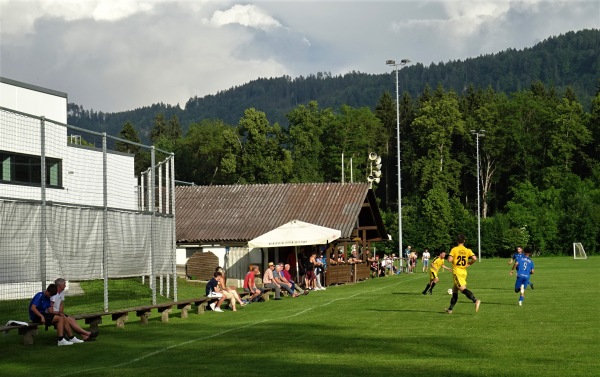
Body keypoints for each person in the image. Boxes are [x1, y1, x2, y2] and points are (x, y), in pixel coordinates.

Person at [446, 234, 481, 314]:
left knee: (462, 290)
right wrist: (469, 263)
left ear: (457, 241)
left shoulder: (454, 249)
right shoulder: (467, 250)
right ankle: (450, 309)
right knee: (455, 291)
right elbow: (474, 258)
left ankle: (475, 300)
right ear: (464, 241)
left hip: (457, 272)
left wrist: (450, 256)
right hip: (464, 272)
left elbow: (449, 260)